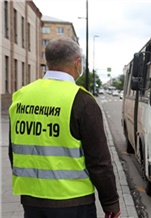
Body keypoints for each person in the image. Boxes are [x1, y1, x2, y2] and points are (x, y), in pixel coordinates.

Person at [8, 37, 120, 218]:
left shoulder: (21, 96)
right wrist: (110, 202)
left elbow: (13, 150)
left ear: (48, 62)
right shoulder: (82, 101)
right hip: (73, 201)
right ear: (77, 63)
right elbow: (99, 161)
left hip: (31, 200)